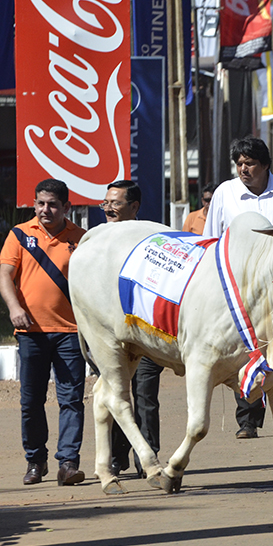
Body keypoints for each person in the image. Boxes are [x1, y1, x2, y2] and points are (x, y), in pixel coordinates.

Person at [204, 135, 273, 439]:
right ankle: (247, 419)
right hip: (240, 288)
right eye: (239, 164)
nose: (243, 169)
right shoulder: (225, 193)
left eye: (249, 163)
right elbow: (212, 239)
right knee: (247, 349)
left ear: (265, 166)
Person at [0, 179, 87, 486]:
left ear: (66, 207)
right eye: (40, 203)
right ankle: (36, 462)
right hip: (30, 331)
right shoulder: (20, 235)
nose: (45, 210)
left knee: (72, 399)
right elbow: (5, 275)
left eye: (52, 204)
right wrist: (14, 308)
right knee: (31, 400)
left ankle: (68, 463)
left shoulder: (82, 238)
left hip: (70, 332)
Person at [102, 180, 165, 478]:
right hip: (111, 333)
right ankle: (116, 457)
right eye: (106, 203)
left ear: (135, 207)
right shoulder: (97, 240)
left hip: (147, 330)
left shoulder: (152, 238)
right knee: (116, 391)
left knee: (145, 394)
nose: (109, 209)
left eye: (115, 203)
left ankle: (148, 455)